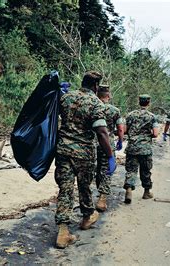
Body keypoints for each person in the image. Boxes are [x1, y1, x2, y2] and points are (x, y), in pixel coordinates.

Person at [54, 71, 116, 248]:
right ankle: (87, 217)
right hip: (83, 153)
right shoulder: (96, 103)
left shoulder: (66, 98)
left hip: (63, 150)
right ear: (96, 86)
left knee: (65, 188)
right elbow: (102, 132)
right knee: (83, 186)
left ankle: (63, 231)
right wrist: (110, 156)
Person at [123, 94, 159, 204]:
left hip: (132, 147)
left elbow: (125, 130)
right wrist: (148, 135)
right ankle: (146, 192)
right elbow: (156, 133)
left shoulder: (130, 115)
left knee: (131, 170)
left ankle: (129, 189)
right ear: (148, 102)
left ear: (139, 102)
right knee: (146, 170)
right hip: (145, 148)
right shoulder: (152, 116)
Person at [95, 85, 125, 212]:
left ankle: (98, 190)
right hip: (107, 142)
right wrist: (120, 140)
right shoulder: (114, 110)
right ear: (108, 96)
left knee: (96, 168)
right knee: (106, 169)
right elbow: (120, 128)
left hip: (92, 142)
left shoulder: (92, 106)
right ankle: (102, 197)